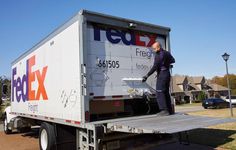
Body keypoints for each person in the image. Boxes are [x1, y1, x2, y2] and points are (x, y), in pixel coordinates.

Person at [142, 41, 175, 116]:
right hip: (167, 73)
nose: (153, 50)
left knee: (159, 92)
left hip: (162, 75)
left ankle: (164, 110)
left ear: (158, 47)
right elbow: (173, 60)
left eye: (154, 49)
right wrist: (166, 64)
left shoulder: (158, 55)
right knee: (165, 92)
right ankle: (169, 110)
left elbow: (154, 67)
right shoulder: (167, 53)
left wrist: (147, 75)